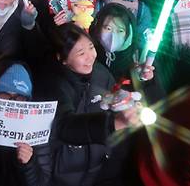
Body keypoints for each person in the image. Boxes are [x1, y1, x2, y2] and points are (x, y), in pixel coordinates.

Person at [26, 24, 141, 186]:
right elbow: (65, 126)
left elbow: (113, 97)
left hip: (101, 167)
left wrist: (136, 84)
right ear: (62, 59)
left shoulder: (100, 72)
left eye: (91, 47)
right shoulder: (52, 85)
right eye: (81, 53)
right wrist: (112, 124)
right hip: (67, 175)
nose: (90, 56)